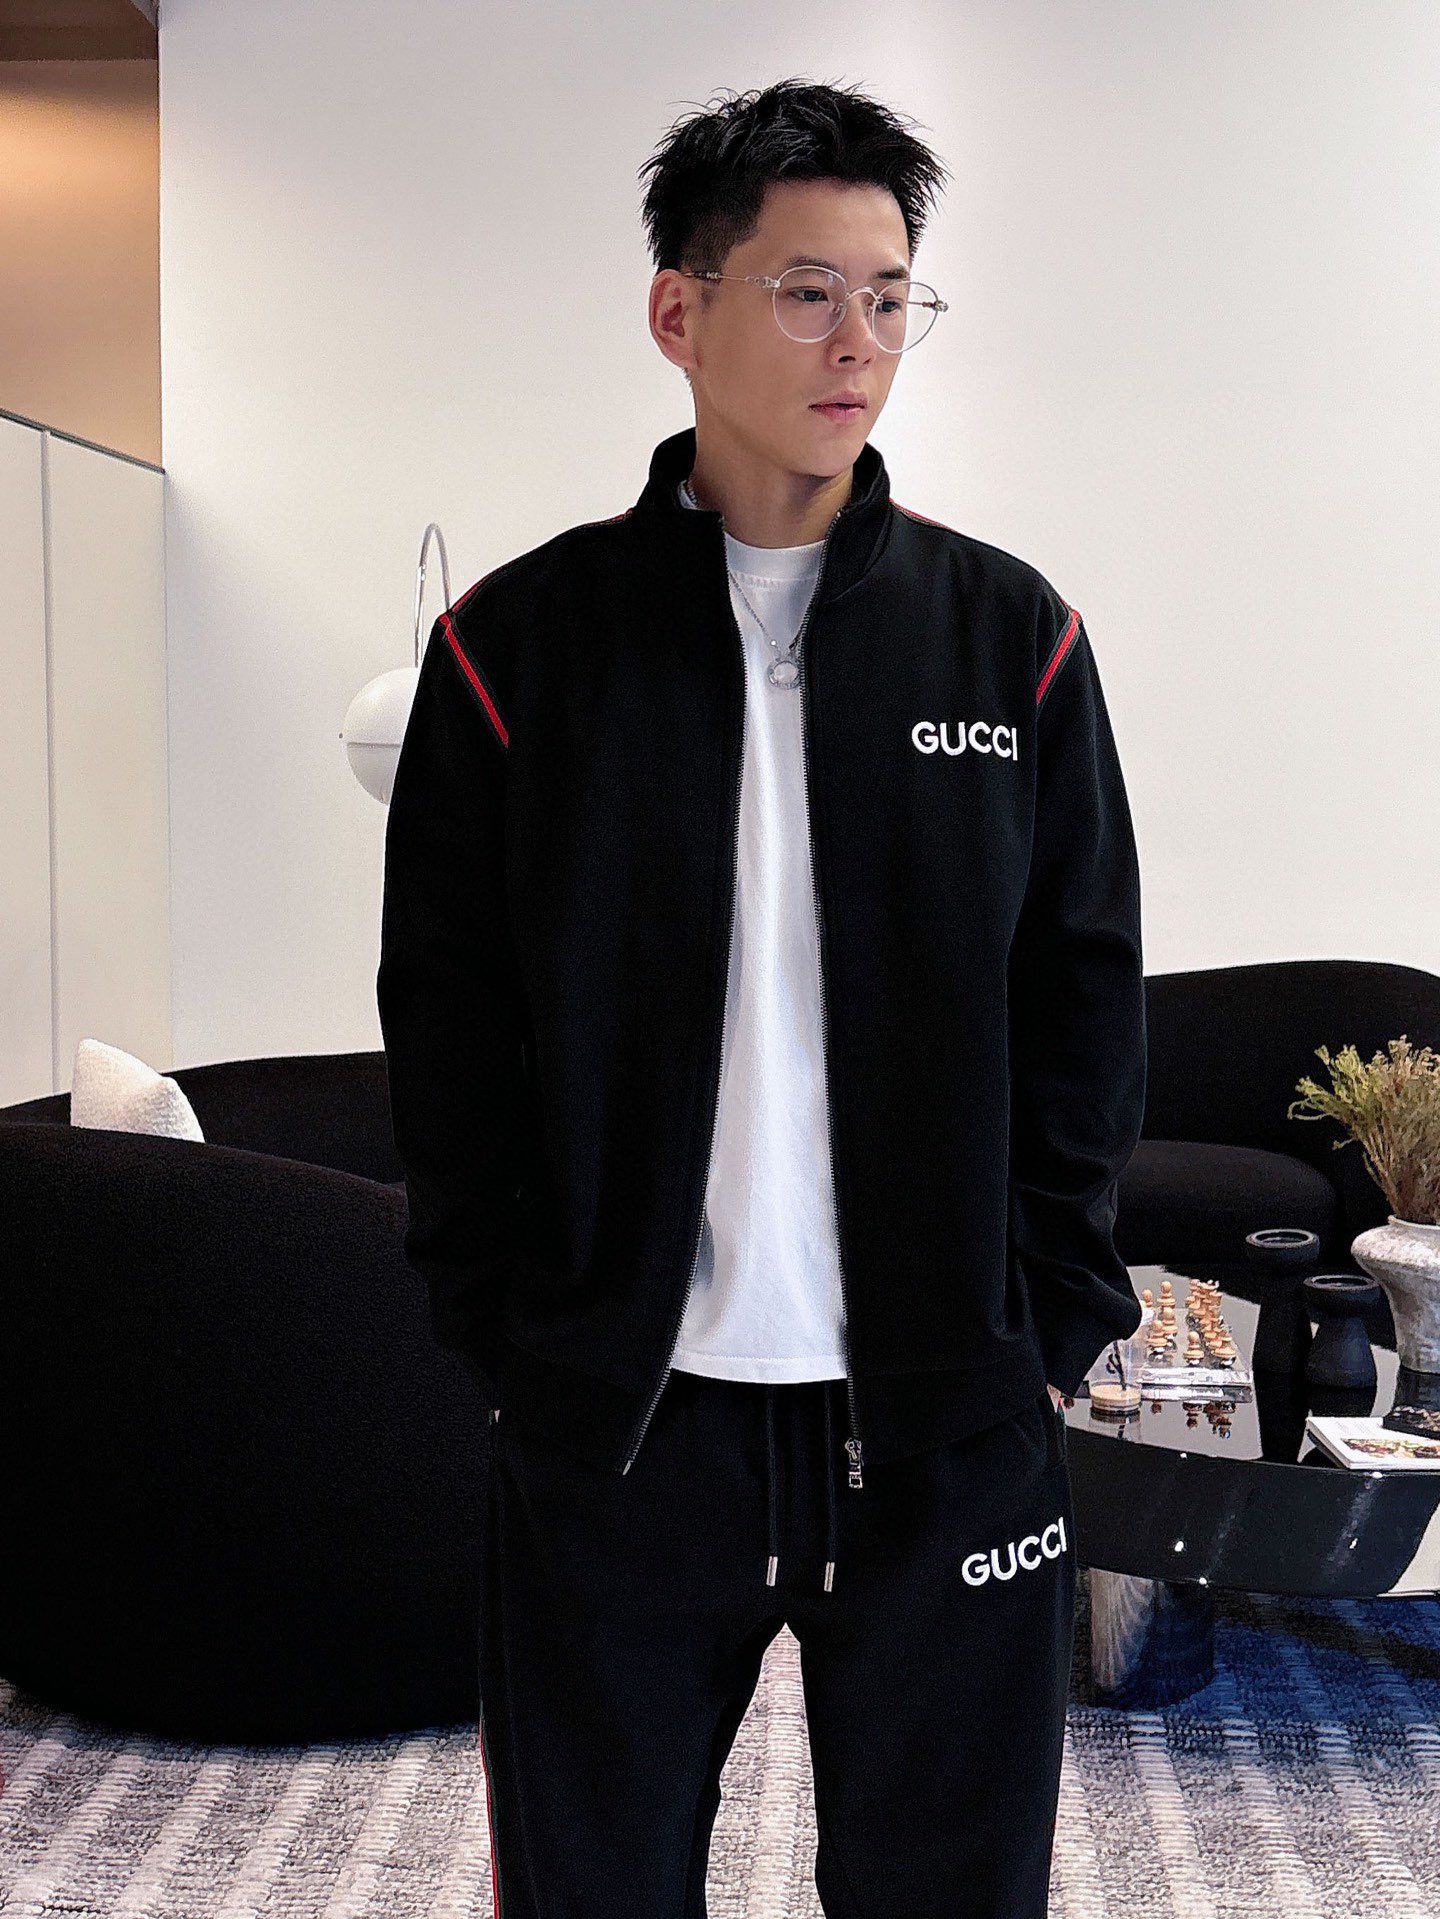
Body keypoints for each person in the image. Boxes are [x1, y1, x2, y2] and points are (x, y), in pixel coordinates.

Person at [377, 76, 1145, 1919]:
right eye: (808, 291)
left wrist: (1045, 1322)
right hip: (627, 1429)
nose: (858, 342)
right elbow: (449, 1028)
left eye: (890, 298)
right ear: (680, 310)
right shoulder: (513, 654)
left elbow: (1084, 1000)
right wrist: (512, 1326)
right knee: (594, 1887)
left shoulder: (1012, 639)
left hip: (945, 1421)